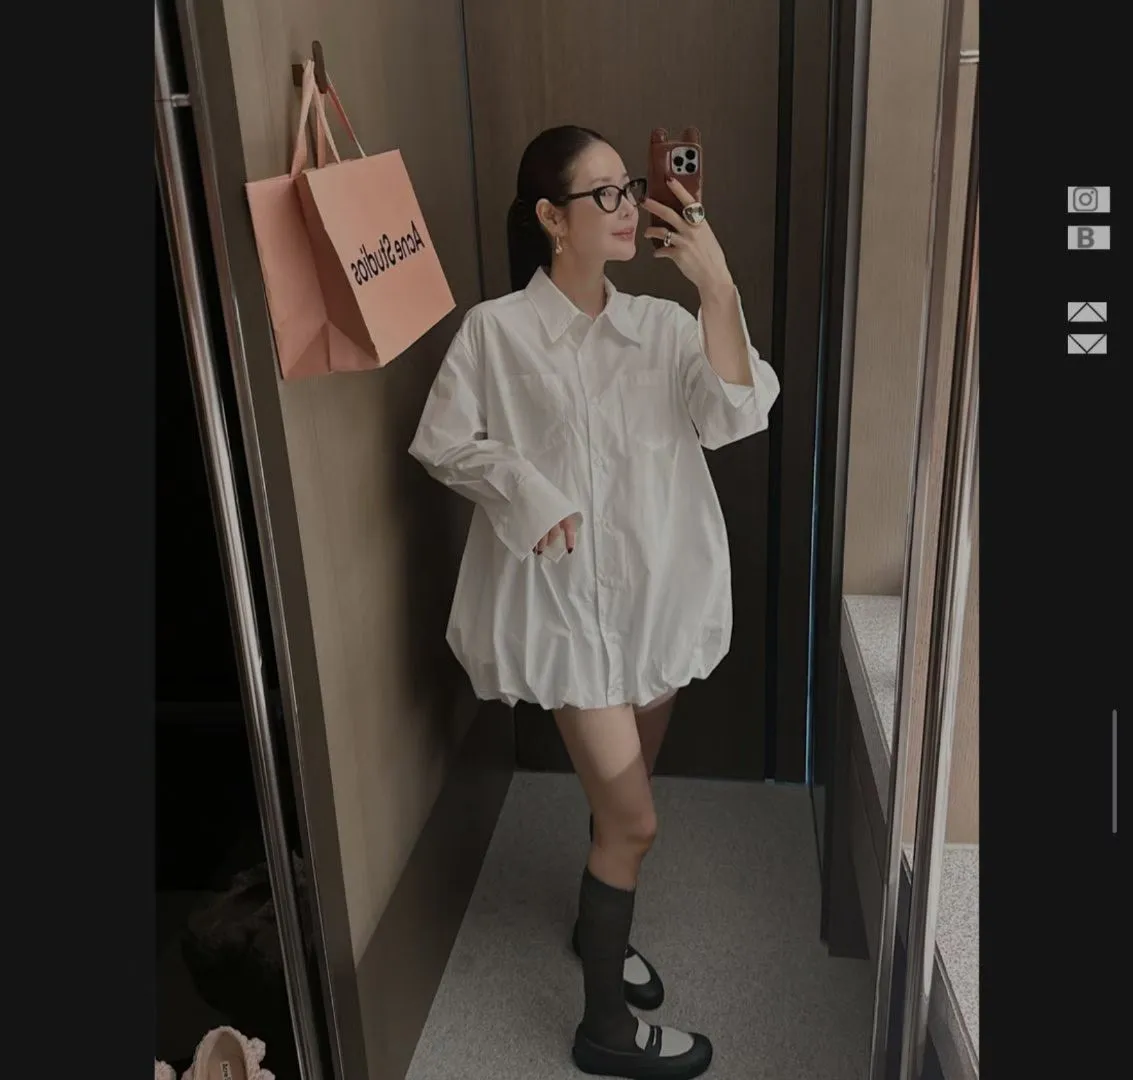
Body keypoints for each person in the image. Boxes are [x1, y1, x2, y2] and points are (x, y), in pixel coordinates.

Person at [409, 125, 780, 1079]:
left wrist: (717, 289)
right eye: (605, 193)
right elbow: (443, 442)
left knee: (623, 808)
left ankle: (595, 929)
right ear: (550, 216)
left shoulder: (662, 328)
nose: (628, 207)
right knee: (634, 822)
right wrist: (528, 493)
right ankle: (604, 1030)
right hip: (568, 617)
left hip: (656, 604)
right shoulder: (495, 331)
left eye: (630, 189)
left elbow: (735, 415)